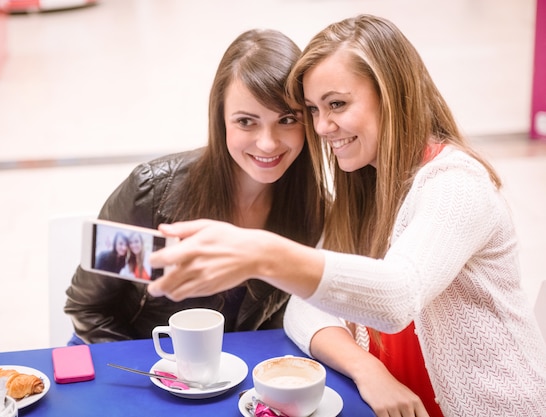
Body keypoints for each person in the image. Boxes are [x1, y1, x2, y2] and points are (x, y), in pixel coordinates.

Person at [147, 14, 546, 417]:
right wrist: (367, 369)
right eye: (313, 110)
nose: (322, 126)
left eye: (337, 104)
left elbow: (396, 296)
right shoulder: (365, 187)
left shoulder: (456, 184)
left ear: (393, 95)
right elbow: (304, 308)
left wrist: (261, 254)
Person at [64, 28, 325, 344]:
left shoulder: (314, 210)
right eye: (246, 121)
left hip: (235, 376)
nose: (268, 144)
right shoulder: (153, 193)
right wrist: (161, 373)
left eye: (287, 120)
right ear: (220, 119)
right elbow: (88, 309)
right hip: (137, 366)